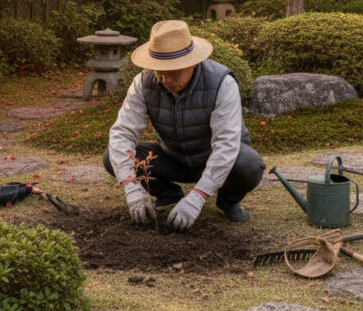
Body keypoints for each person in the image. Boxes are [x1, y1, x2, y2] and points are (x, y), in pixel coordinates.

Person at [103, 19, 265, 231]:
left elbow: (226, 144)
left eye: (173, 72)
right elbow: (122, 133)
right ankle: (168, 193)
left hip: (215, 157)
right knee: (111, 157)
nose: (164, 79)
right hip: (172, 156)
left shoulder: (222, 83)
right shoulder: (143, 83)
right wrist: (130, 186)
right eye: (159, 70)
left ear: (192, 62)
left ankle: (227, 201)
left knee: (250, 164)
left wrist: (198, 197)